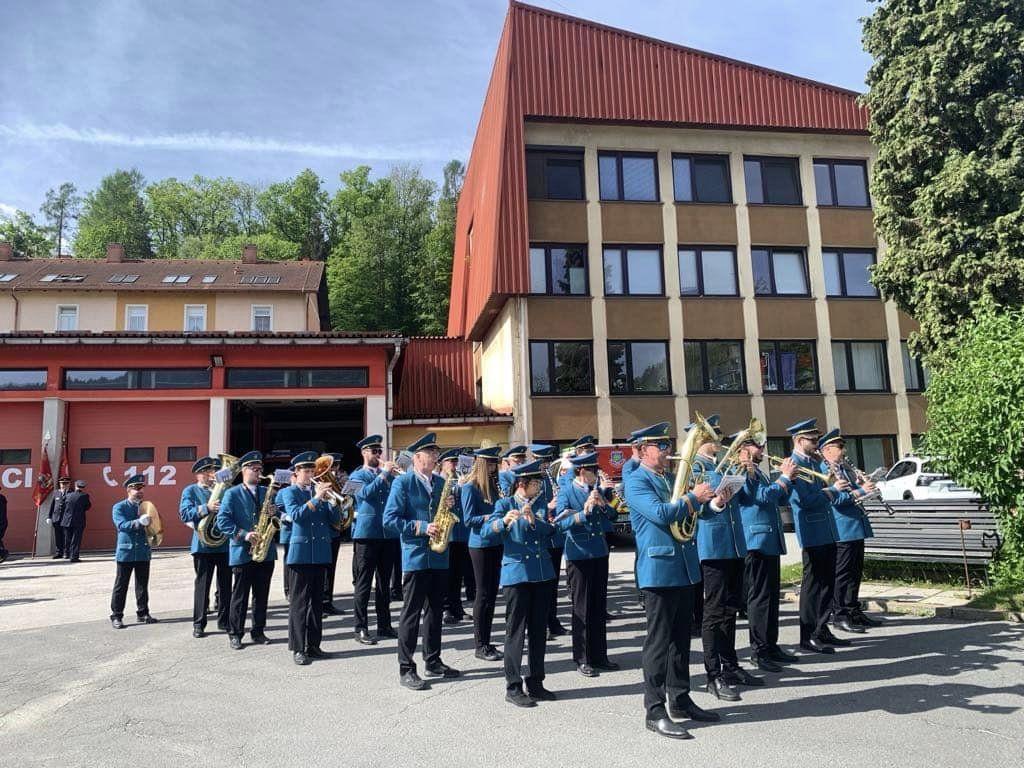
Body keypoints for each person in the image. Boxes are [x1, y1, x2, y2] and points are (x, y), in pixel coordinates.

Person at [626, 422, 718, 740]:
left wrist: (715, 502)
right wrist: (693, 497)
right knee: (658, 643)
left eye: (668, 445)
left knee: (681, 641)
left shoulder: (668, 478)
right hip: (659, 570)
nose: (668, 451)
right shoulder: (636, 481)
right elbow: (662, 514)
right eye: (661, 446)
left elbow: (693, 513)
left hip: (683, 568)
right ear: (642, 450)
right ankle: (654, 709)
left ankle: (680, 699)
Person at [383, 433, 460, 690]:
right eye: (431, 453)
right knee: (411, 613)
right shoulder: (402, 483)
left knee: (435, 612)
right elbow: (390, 520)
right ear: (417, 457)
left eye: (437, 453)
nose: (436, 457)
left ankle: (433, 660)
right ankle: (406, 667)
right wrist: (421, 527)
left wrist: (450, 506)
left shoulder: (441, 482)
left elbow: (446, 514)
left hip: (438, 556)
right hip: (416, 556)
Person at [692, 425, 760, 702]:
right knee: (714, 612)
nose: (719, 441)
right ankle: (713, 674)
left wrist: (749, 474)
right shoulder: (694, 468)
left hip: (733, 545)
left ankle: (730, 665)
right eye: (713, 437)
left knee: (730, 609)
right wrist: (716, 502)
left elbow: (747, 499)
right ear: (701, 440)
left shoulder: (724, 465)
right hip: (713, 546)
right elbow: (695, 507)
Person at [489, 460, 556, 707]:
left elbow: (552, 531)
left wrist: (533, 521)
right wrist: (504, 522)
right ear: (522, 484)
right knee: (515, 632)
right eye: (535, 483)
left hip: (541, 573)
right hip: (517, 575)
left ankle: (536, 682)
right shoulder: (504, 504)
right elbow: (487, 532)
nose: (539, 487)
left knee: (538, 631)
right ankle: (513, 686)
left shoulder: (540, 504)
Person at [786, 419, 854, 654]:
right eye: (813, 440)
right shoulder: (794, 464)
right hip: (812, 531)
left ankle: (822, 628)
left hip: (826, 529)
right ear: (799, 440)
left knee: (827, 583)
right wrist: (832, 491)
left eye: (817, 439)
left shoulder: (812, 461)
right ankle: (808, 636)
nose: (817, 443)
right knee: (813, 586)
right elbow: (803, 501)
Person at [731, 435, 798, 672]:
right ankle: (759, 651)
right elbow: (761, 497)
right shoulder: (740, 471)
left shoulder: (758, 471)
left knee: (770, 596)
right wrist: (784, 478)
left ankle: (771, 645)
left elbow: (776, 497)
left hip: (768, 539)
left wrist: (789, 481)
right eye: (757, 445)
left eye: (762, 445)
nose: (762, 449)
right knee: (759, 599)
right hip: (755, 541)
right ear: (742, 448)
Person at [556, 451, 618, 677]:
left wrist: (602, 504)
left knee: (598, 605)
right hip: (579, 554)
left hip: (599, 552)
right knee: (581, 608)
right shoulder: (566, 491)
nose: (597, 474)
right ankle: (582, 658)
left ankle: (600, 655)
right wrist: (584, 512)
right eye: (593, 471)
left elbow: (612, 515)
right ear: (582, 471)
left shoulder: (597, 489)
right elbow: (560, 523)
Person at [280, 451, 341, 665]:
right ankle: (298, 648)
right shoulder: (290, 492)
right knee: (299, 603)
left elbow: (335, 521)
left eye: (312, 471)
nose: (310, 475)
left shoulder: (320, 493)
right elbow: (296, 516)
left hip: (321, 552)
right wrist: (316, 498)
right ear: (296, 473)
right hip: (301, 554)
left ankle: (314, 645)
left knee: (316, 603)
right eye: (306, 471)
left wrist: (333, 502)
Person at [818, 429, 880, 633]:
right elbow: (834, 500)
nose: (843, 451)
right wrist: (861, 491)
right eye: (839, 447)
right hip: (842, 527)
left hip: (855, 525)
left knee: (855, 572)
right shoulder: (824, 470)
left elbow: (852, 493)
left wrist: (864, 487)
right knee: (842, 574)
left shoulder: (843, 468)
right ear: (827, 449)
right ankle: (840, 614)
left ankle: (853, 610)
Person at [217, 451, 279, 650]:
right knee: (240, 596)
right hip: (242, 551)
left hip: (265, 551)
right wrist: (244, 534)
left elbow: (277, 516)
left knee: (262, 595)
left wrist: (274, 512)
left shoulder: (266, 491)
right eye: (255, 469)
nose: (259, 472)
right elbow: (222, 521)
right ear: (244, 470)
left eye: (260, 468)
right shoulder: (232, 493)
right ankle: (235, 633)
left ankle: (258, 631)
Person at [349, 434, 399, 645]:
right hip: (366, 534)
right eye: (374, 451)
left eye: (380, 451)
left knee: (384, 583)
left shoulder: (388, 475)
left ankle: (384, 625)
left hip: (387, 533)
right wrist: (384, 474)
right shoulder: (355, 475)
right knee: (363, 583)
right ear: (364, 453)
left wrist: (395, 476)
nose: (378, 454)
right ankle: (360, 628)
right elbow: (364, 495)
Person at [461, 445, 504, 662]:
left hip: (496, 542)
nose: (494, 467)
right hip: (480, 545)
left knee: (492, 594)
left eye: (495, 463)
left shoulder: (493, 486)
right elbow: (469, 519)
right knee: (483, 594)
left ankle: (487, 641)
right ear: (482, 464)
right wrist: (490, 518)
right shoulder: (470, 487)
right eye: (490, 463)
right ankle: (480, 644)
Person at [178, 456, 231, 637]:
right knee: (202, 585)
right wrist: (206, 508)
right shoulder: (191, 490)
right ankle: (199, 624)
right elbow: (185, 514)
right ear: (198, 475)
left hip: (224, 544)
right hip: (203, 545)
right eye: (208, 472)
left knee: (225, 585)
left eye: (213, 471)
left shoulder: (224, 490)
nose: (211, 474)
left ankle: (224, 621)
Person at [109, 474, 158, 629]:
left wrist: (154, 533)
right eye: (137, 488)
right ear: (129, 490)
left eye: (142, 488)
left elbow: (154, 526)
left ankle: (143, 613)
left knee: (142, 585)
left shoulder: (147, 507)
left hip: (143, 550)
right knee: (121, 585)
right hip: (126, 552)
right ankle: (117, 615)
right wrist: (138, 522)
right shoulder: (119, 507)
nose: (140, 491)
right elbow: (121, 525)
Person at [530, 444, 566, 638]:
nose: (546, 466)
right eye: (542, 462)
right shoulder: (533, 482)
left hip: (555, 537)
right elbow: (530, 509)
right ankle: (541, 624)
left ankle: (553, 621)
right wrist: (549, 506)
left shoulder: (551, 479)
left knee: (553, 585)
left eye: (547, 462)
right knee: (542, 586)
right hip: (541, 539)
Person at [439, 448, 470, 625]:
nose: (454, 465)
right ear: (443, 464)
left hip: (460, 533)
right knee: (447, 573)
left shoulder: (460, 479)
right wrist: (460, 486)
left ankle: (457, 606)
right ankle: (445, 608)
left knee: (458, 573)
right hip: (447, 534)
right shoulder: (440, 480)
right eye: (451, 462)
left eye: (456, 462)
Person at [322, 452, 345, 617]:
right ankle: (320, 603)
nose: (334, 469)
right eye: (331, 467)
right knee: (322, 571)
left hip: (334, 532)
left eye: (335, 466)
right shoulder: (317, 485)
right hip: (323, 532)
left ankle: (328, 601)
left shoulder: (337, 481)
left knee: (331, 570)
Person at [63, 480, 91, 562]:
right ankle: (74, 556)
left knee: (67, 538)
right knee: (76, 539)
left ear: (75, 486)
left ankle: (66, 554)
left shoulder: (68, 495)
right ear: (83, 487)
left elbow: (63, 506)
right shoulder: (84, 496)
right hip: (78, 521)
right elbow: (88, 506)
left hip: (67, 520)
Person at [48, 476, 73, 559]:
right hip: (56, 518)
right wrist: (49, 516)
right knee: (58, 536)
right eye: (62, 483)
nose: (64, 485)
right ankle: (59, 552)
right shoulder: (56, 493)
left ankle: (66, 552)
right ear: (60, 484)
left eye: (66, 483)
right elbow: (52, 505)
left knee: (67, 536)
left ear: (69, 484)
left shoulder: (72, 493)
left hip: (67, 518)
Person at [0, 490, 8, 562]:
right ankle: (3, 553)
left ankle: (3, 553)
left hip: (1, 522)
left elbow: (2, 513)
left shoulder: (1, 499)